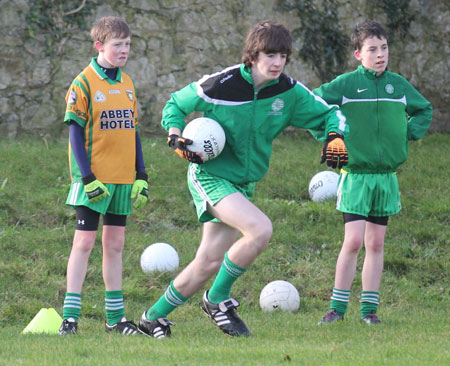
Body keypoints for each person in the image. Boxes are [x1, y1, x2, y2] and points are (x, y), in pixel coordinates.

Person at [137, 19, 348, 339]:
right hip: (209, 175)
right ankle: (217, 300)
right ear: (253, 55)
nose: (277, 63)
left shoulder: (289, 92)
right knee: (260, 229)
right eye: (270, 55)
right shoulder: (222, 84)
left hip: (242, 184)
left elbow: (328, 112)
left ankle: (153, 318)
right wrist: (176, 135)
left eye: (283, 56)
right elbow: (176, 104)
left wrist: (334, 135)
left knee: (208, 261)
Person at [314, 21, 432, 325]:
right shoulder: (346, 84)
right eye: (372, 49)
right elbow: (312, 105)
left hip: (386, 177)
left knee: (376, 244)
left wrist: (406, 133)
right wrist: (330, 136)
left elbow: (424, 110)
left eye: (384, 48)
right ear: (358, 54)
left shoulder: (399, 85)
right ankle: (336, 310)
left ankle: (369, 312)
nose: (380, 54)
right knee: (353, 241)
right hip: (356, 176)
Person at [58, 16, 149, 335]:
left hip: (122, 179)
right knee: (83, 242)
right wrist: (86, 178)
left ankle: (115, 320)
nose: (124, 50)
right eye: (117, 45)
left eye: (127, 44)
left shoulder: (127, 83)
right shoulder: (83, 83)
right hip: (93, 181)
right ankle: (69, 318)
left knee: (115, 244)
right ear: (99, 46)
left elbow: (133, 130)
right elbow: (74, 133)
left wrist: (142, 174)